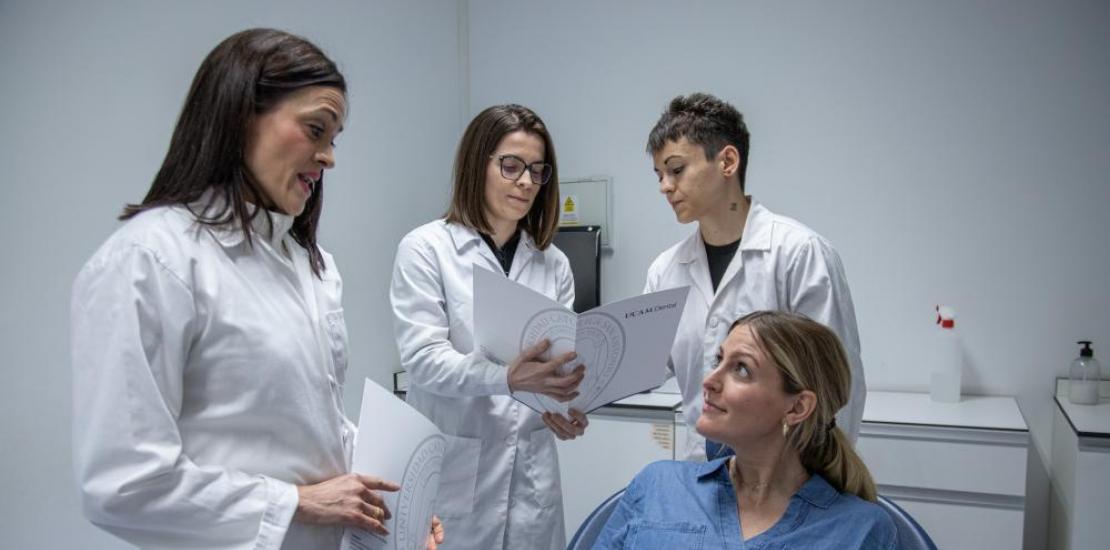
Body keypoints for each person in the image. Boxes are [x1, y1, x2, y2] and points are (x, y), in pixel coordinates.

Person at [71, 29, 443, 549]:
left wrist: (398, 504)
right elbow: (124, 484)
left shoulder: (309, 265)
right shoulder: (150, 259)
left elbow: (319, 429)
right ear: (240, 115)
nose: (329, 157)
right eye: (316, 130)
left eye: (333, 139)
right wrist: (298, 502)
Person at [390, 104, 589, 549]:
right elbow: (423, 361)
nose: (525, 182)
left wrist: (566, 409)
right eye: (511, 166)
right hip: (458, 477)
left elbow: (558, 365)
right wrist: (504, 378)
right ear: (476, 165)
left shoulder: (552, 263)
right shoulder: (426, 249)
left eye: (537, 171)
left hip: (531, 478)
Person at [643, 92, 865, 460]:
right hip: (703, 474)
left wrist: (818, 488)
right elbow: (642, 367)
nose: (664, 185)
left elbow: (838, 389)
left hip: (789, 477)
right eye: (659, 174)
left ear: (727, 161)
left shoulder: (799, 254)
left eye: (676, 169)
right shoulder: (665, 271)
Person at [595, 311, 895, 549]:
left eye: (741, 369)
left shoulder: (861, 531)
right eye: (719, 360)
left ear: (797, 408)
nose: (709, 380)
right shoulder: (657, 485)